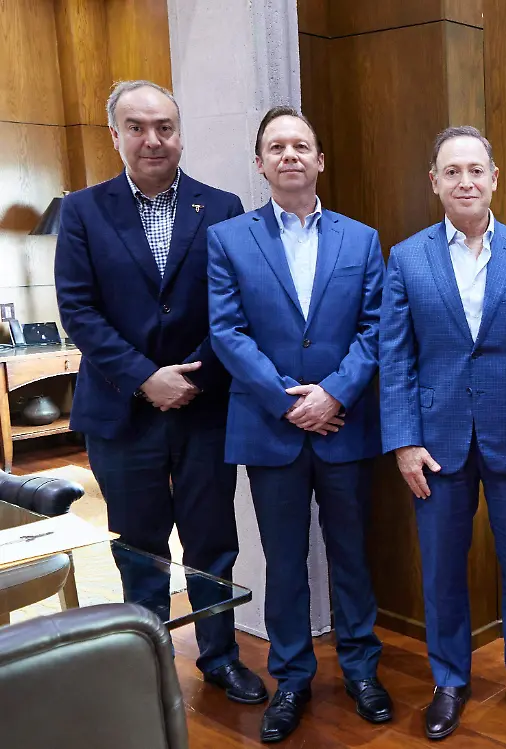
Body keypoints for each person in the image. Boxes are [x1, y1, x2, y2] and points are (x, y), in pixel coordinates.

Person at [54, 80, 265, 705]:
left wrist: (190, 377)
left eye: (165, 127)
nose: (153, 140)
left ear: (179, 133)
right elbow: (79, 311)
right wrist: (146, 377)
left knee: (212, 542)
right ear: (115, 134)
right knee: (138, 547)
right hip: (121, 409)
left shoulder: (222, 207)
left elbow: (233, 308)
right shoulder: (83, 211)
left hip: (204, 408)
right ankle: (147, 664)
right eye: (138, 127)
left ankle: (220, 657)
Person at [207, 106, 391, 743]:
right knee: (283, 562)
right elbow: (227, 331)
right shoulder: (229, 239)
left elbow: (376, 328)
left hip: (345, 425)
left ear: (319, 161)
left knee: (352, 556)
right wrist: (289, 403)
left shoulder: (361, 239)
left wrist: (334, 394)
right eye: (276, 147)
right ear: (260, 163)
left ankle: (362, 670)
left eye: (300, 146)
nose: (289, 155)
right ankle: (291, 678)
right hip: (271, 428)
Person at [379, 126, 506, 740]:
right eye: (452, 171)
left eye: (475, 170)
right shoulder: (406, 257)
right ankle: (449, 680)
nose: (465, 181)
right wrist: (404, 442)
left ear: (494, 179)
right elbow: (396, 357)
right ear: (434, 182)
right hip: (436, 444)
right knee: (440, 571)